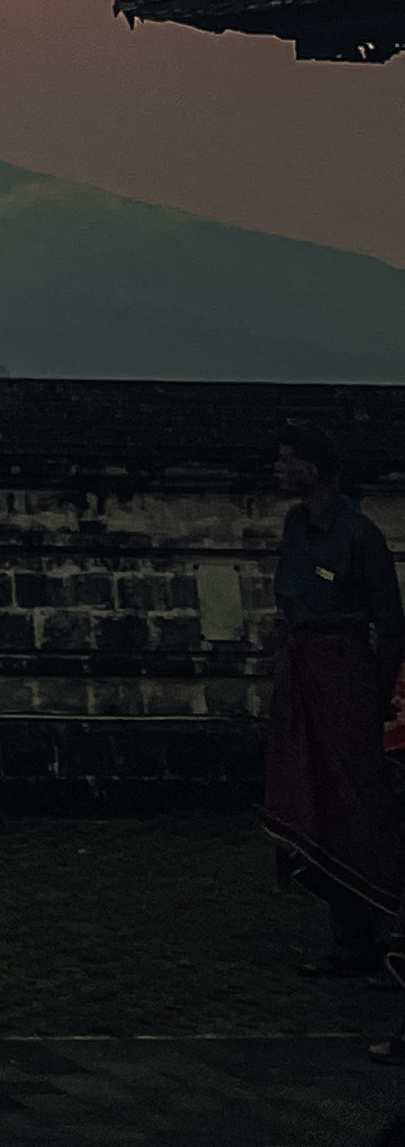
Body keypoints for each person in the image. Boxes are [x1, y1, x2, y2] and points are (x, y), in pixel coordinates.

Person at [264, 419, 405, 977]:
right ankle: (346, 939)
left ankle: (376, 933)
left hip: (345, 676)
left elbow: (391, 624)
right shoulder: (297, 525)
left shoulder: (359, 535)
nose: (277, 469)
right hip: (302, 672)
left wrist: (377, 699)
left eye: (285, 459)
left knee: (355, 801)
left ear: (311, 468)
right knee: (310, 793)